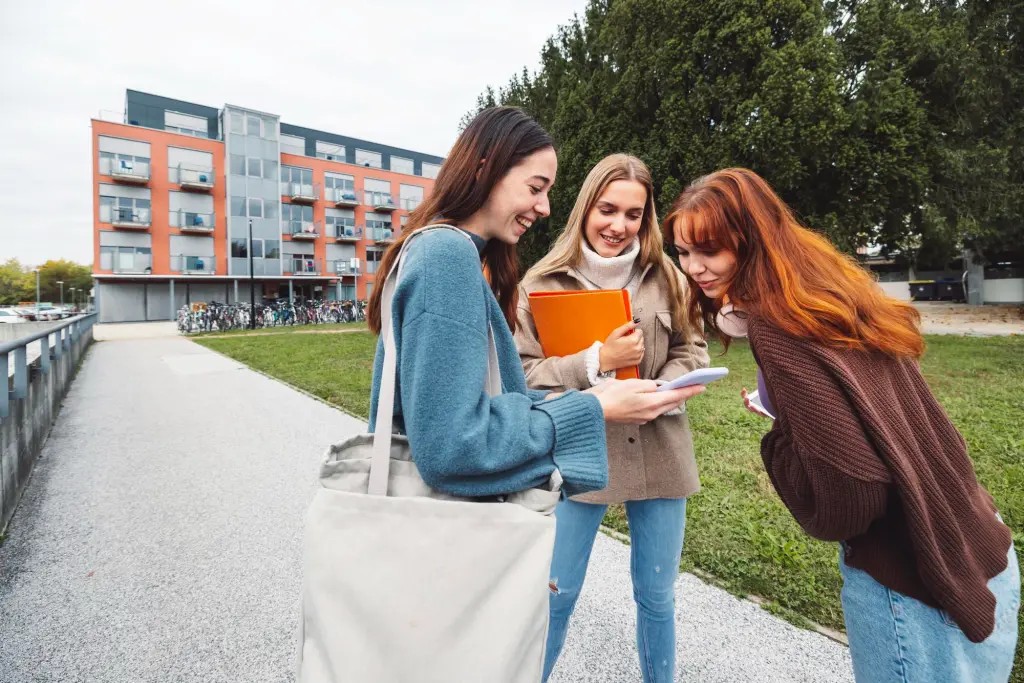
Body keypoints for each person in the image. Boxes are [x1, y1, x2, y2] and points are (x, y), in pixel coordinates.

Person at [667, 167, 1020, 683]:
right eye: (682, 251)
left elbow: (848, 499)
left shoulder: (776, 325)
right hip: (981, 543)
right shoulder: (828, 294)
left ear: (752, 241)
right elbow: (869, 413)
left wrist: (779, 442)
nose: (693, 267)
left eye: (709, 250)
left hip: (913, 582)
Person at [366, 108, 704, 509]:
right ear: (485, 171)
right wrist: (594, 405)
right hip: (452, 525)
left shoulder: (438, 250)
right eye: (535, 188)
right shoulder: (447, 257)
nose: (544, 208)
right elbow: (454, 448)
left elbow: (485, 405)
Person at [515, 154, 709, 683]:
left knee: (657, 597)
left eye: (633, 214)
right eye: (607, 210)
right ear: (585, 208)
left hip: (661, 453)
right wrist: (596, 361)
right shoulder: (540, 282)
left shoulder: (668, 276)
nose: (619, 226)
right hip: (578, 456)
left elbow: (693, 349)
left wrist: (663, 391)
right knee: (556, 593)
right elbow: (524, 375)